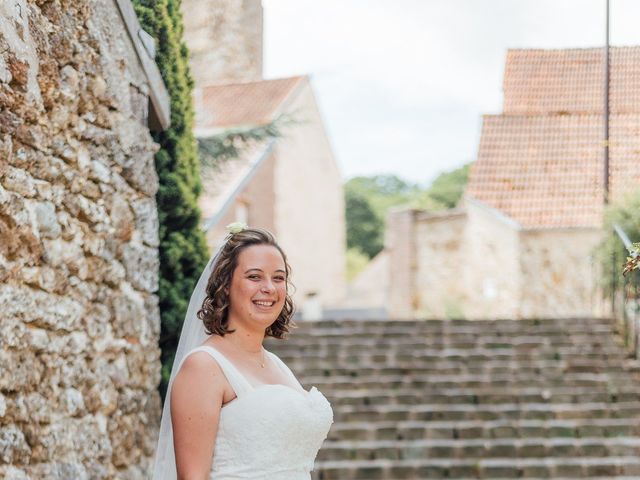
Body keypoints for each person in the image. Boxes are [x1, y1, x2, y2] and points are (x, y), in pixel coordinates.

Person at [152, 224, 334, 480]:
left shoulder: (276, 364)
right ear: (225, 285)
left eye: (278, 277)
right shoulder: (204, 367)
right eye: (254, 276)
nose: (269, 288)